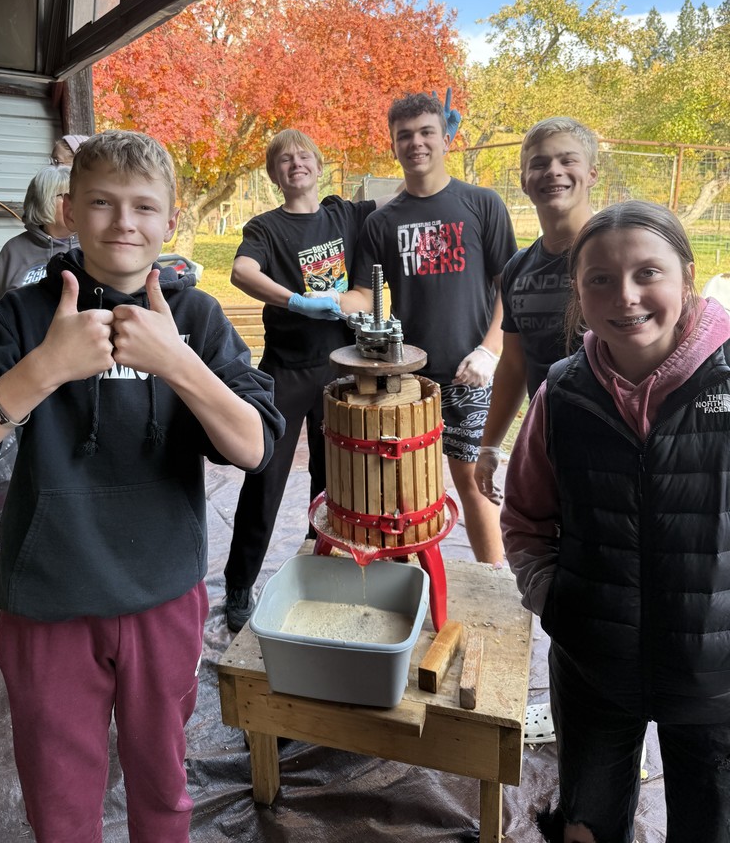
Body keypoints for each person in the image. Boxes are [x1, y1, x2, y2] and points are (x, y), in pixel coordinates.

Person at [0, 130, 284, 843]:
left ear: (172, 221)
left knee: (164, 786)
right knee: (60, 797)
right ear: (70, 212)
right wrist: (43, 370)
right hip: (47, 599)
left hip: (163, 594)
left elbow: (255, 448)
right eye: (102, 204)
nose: (123, 224)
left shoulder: (194, 319)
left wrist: (178, 364)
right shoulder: (23, 316)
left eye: (144, 207)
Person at [502, 200, 730, 843]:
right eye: (599, 278)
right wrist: (554, 597)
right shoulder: (564, 394)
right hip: (594, 664)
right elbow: (524, 518)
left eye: (647, 273)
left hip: (716, 673)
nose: (625, 296)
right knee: (588, 824)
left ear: (687, 276)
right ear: (578, 290)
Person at [223, 128, 389, 631]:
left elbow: (400, 196)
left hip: (340, 367)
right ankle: (238, 583)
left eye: (303, 157)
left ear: (319, 167)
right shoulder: (266, 227)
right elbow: (241, 272)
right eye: (283, 160)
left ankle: (322, 569)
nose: (295, 164)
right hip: (285, 371)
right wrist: (296, 301)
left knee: (334, 477)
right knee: (265, 475)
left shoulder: (345, 214)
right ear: (275, 175)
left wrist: (444, 143)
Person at [344, 92, 518, 564]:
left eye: (425, 133)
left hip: (470, 373)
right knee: (408, 483)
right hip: (410, 378)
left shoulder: (482, 204)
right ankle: (410, 579)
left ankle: (492, 579)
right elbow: (364, 294)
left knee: (471, 479)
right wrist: (316, 300)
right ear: (394, 145)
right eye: (405, 136)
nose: (415, 143)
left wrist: (490, 349)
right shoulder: (381, 222)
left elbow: (509, 287)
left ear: (446, 139)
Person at [474, 117, 598, 500]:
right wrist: (490, 445)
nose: (553, 172)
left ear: (592, 173)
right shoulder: (517, 268)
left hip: (618, 443)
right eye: (540, 163)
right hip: (548, 440)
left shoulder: (616, 251)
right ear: (524, 180)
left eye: (567, 160)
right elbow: (514, 364)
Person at [0, 164, 77, 312]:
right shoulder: (14, 250)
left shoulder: (92, 245)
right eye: (66, 196)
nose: (75, 203)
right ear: (43, 200)